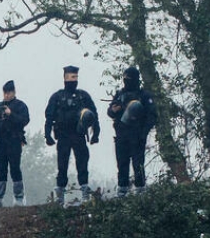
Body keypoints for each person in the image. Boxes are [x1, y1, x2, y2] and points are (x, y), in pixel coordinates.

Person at [44, 65, 100, 205]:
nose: (74, 79)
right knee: (62, 165)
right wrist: (47, 135)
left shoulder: (83, 96)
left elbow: (94, 115)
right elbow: (49, 116)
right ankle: (60, 196)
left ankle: (85, 194)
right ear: (65, 78)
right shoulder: (57, 97)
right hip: (63, 134)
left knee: (82, 163)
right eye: (71, 77)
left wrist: (96, 133)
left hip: (79, 134)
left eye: (75, 77)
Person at [106, 66, 158, 197]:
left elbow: (152, 116)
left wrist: (143, 132)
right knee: (122, 163)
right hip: (121, 134)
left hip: (137, 134)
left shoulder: (144, 96)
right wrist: (114, 110)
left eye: (129, 79)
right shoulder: (120, 94)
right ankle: (122, 191)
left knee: (138, 164)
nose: (126, 81)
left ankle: (140, 190)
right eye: (125, 78)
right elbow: (110, 112)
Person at [0, 80, 30, 206]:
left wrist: (11, 114)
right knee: (1, 170)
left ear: (14, 92)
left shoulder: (20, 106)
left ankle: (19, 198)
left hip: (14, 141)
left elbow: (24, 120)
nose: (7, 95)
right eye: (5, 93)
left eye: (9, 92)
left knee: (15, 168)